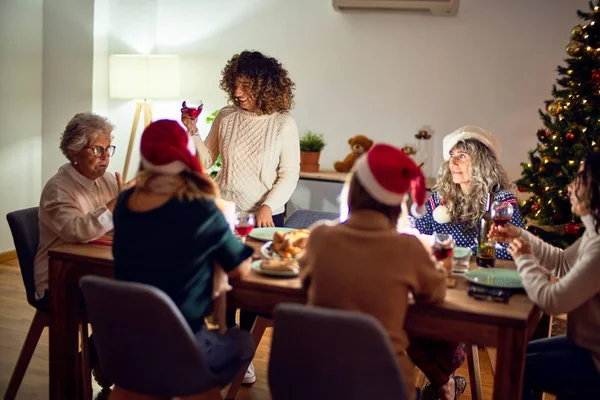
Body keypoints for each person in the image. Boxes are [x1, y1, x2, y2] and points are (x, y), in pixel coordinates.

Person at [300, 144, 448, 400]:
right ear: (396, 203)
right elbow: (435, 295)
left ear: (352, 191)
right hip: (382, 383)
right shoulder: (408, 248)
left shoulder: (319, 236)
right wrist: (443, 268)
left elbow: (304, 280)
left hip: (315, 377)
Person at [112, 120, 255, 377]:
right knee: (243, 342)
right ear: (185, 155)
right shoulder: (200, 209)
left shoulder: (124, 202)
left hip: (126, 341)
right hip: (182, 345)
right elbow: (240, 271)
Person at [411, 126, 525, 399]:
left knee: (438, 325)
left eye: (462, 155)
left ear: (482, 163)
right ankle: (444, 384)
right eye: (452, 154)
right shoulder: (441, 197)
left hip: (481, 287)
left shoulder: (500, 200)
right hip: (445, 281)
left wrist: (460, 250)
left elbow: (511, 249)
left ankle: (442, 383)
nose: (453, 160)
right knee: (408, 319)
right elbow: (420, 231)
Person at [490, 151, 600, 399]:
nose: (570, 187)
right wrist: (518, 235)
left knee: (516, 367)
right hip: (585, 346)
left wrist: (524, 257)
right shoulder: (594, 232)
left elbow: (552, 301)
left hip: (594, 360)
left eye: (580, 179)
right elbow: (561, 262)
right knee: (515, 357)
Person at [182, 50, 300, 228]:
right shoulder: (226, 116)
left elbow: (289, 175)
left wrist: (268, 207)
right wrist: (192, 131)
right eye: (235, 85)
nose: (237, 92)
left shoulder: (283, 123)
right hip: (223, 211)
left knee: (262, 257)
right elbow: (205, 161)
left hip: (263, 216)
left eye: (245, 85)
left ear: (264, 87)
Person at [34, 112, 132, 298]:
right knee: (135, 295)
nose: (105, 156)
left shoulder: (108, 180)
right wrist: (116, 204)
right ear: (74, 152)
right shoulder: (58, 188)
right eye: (97, 149)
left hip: (97, 265)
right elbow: (76, 231)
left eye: (108, 148)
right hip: (60, 276)